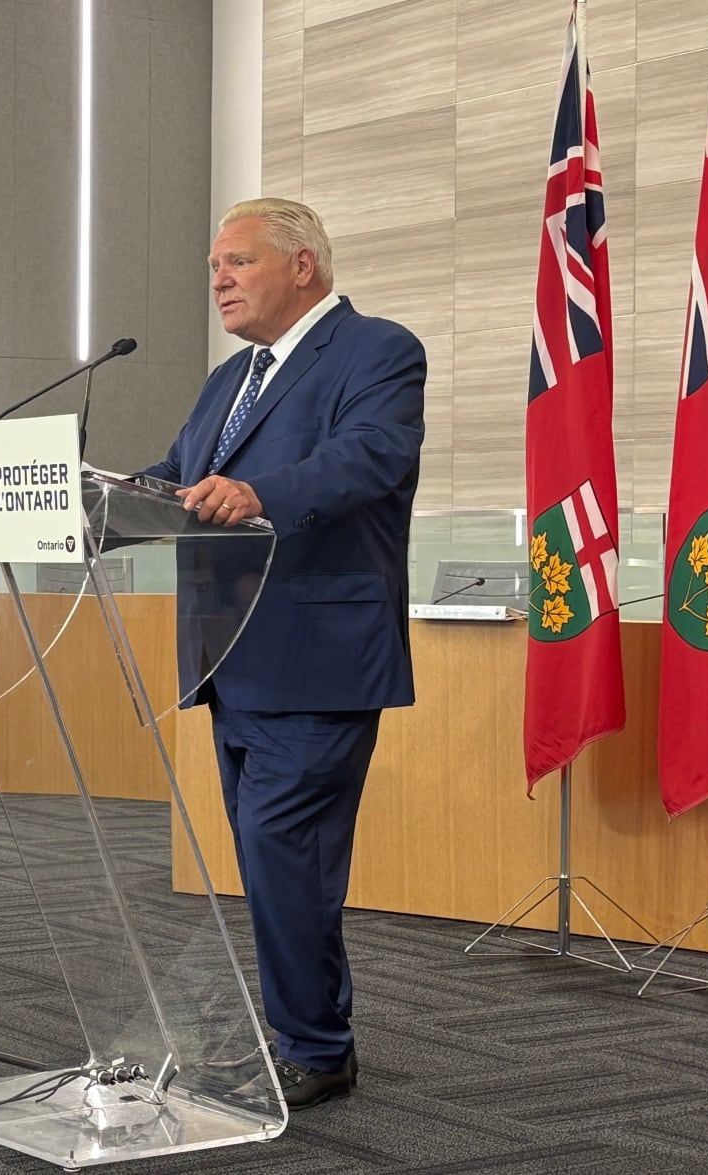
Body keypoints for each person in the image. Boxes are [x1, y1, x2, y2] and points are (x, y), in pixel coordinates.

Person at [143, 198, 425, 1109]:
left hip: (320, 652)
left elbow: (367, 459)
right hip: (233, 658)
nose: (217, 279)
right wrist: (81, 498)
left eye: (237, 261)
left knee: (283, 849)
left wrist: (256, 490)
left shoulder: (378, 352)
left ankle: (316, 1044)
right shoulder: (231, 381)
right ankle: (302, 1029)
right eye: (213, 265)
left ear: (301, 265)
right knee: (273, 859)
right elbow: (177, 477)